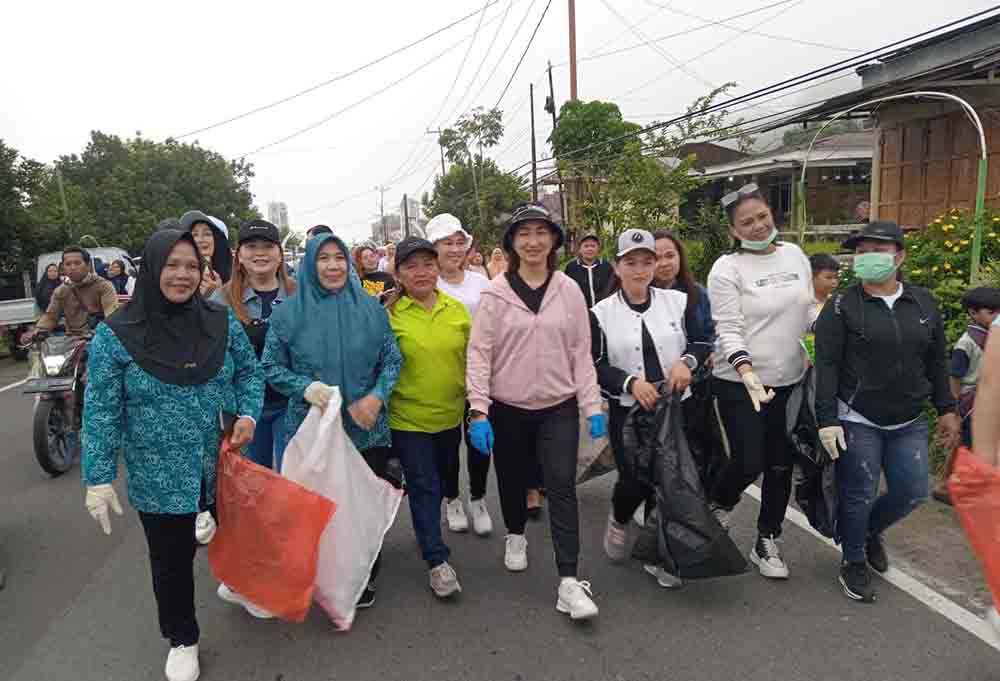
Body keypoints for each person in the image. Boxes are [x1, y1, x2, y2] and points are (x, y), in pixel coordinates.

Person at [81, 229, 263, 681]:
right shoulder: (116, 335)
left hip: (219, 462)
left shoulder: (219, 320)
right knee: (171, 560)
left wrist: (248, 414)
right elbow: (101, 409)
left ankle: (236, 584)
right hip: (157, 474)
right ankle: (183, 638)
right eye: (172, 265)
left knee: (234, 532)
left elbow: (249, 374)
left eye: (192, 266)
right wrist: (98, 477)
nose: (183, 275)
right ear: (151, 269)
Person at [466, 202, 605, 621]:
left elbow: (581, 352)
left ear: (554, 240)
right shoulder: (494, 293)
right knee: (511, 479)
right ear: (511, 242)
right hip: (508, 407)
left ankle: (569, 581)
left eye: (541, 232)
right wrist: (479, 410)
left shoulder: (568, 289)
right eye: (523, 233)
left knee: (561, 485)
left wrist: (592, 405)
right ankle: (515, 534)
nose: (533, 241)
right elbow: (480, 354)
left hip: (558, 407)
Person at [815, 221, 959, 603]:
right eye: (861, 252)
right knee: (859, 492)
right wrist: (827, 420)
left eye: (877, 250)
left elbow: (936, 359)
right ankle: (853, 560)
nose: (867, 258)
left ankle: (867, 531)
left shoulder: (922, 302)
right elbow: (826, 365)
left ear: (899, 256)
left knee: (913, 491)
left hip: (909, 418)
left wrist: (946, 408)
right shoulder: (842, 306)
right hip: (857, 416)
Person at [261, 232, 401, 609]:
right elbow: (269, 366)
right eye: (323, 258)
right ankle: (323, 577)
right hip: (312, 430)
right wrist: (304, 388)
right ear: (310, 264)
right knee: (318, 508)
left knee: (362, 506)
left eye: (339, 257)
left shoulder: (371, 310)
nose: (333, 266)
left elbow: (392, 360)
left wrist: (377, 396)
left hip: (366, 429)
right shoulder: (288, 314)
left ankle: (362, 576)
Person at [592, 229, 710, 589]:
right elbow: (595, 363)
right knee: (634, 480)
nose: (640, 269)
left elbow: (701, 341)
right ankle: (620, 516)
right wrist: (630, 383)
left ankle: (663, 554)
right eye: (631, 262)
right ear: (617, 267)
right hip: (629, 412)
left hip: (675, 406)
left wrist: (686, 363)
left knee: (670, 479)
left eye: (647, 261)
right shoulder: (600, 313)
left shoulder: (677, 301)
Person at [707, 183, 813, 581]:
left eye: (762, 217)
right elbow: (728, 328)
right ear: (733, 230)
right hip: (739, 382)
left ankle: (767, 538)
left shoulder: (795, 255)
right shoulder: (726, 268)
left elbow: (806, 310)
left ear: (772, 214)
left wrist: (820, 334)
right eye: (746, 222)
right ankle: (718, 504)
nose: (757, 226)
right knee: (748, 460)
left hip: (790, 379)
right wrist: (746, 371)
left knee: (781, 464)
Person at [385, 237, 469, 599]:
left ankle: (427, 532)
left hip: (451, 417)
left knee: (443, 479)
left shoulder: (457, 310)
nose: (421, 272)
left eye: (428, 264)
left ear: (438, 268)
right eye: (411, 266)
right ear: (399, 274)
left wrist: (479, 408)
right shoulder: (389, 315)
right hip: (408, 420)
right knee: (424, 484)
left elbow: (474, 361)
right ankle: (437, 560)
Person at [425, 213, 494, 536]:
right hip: (440, 376)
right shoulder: (427, 284)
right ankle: (451, 499)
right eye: (446, 243)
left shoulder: (481, 283)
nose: (454, 249)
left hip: (479, 376)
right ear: (434, 248)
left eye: (459, 243)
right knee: (447, 445)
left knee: (480, 442)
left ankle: (478, 499)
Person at [213, 219, 296, 472]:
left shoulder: (300, 294)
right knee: (252, 480)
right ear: (239, 256)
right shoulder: (221, 299)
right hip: (244, 410)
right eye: (251, 246)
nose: (260, 253)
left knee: (291, 478)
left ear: (280, 254)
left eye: (268, 246)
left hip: (291, 404)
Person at [931, 287, 1000, 504]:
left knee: (964, 444)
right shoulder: (966, 343)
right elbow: (956, 376)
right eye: (991, 312)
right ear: (973, 313)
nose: (996, 316)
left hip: (985, 398)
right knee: (974, 445)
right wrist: (954, 407)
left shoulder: (992, 336)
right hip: (972, 402)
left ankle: (947, 484)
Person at [33, 246, 119, 338]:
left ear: (88, 265)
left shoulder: (104, 286)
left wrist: (99, 334)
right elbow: (51, 316)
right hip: (72, 340)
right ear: (63, 268)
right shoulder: (61, 290)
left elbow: (112, 316)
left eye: (77, 263)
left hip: (99, 338)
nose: (72, 267)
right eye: (68, 264)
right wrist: (39, 330)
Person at [180, 210, 232, 298]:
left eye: (207, 234)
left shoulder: (237, 277)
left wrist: (218, 294)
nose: (199, 240)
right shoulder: (181, 275)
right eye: (195, 234)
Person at [804, 253, 841, 361]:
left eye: (836, 277)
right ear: (811, 277)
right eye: (828, 277)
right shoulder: (804, 304)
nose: (834, 282)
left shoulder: (838, 302)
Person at [564, 232, 614, 309]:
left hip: (604, 311)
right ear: (580, 249)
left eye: (593, 246)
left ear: (598, 248)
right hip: (580, 312)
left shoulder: (606, 266)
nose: (590, 249)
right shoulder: (571, 267)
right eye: (586, 246)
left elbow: (613, 289)